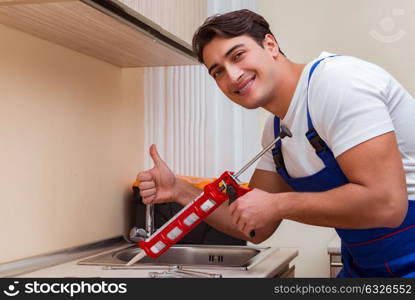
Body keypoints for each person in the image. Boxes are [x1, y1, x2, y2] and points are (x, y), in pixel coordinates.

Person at [137, 9, 415, 277]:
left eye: (238, 55)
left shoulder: (337, 83)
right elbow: (254, 226)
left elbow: (387, 205)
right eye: (218, 71)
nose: (232, 76)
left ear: (270, 44)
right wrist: (180, 190)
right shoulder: (277, 133)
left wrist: (278, 204)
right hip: (368, 267)